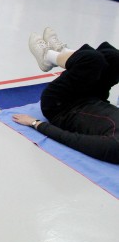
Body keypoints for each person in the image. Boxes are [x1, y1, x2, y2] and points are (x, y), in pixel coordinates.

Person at [12, 29, 118, 164]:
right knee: (114, 57)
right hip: (95, 98)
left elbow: (71, 139)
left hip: (62, 106)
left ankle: (49, 56)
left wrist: (35, 123)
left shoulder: (114, 148)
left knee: (92, 60)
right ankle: (64, 53)